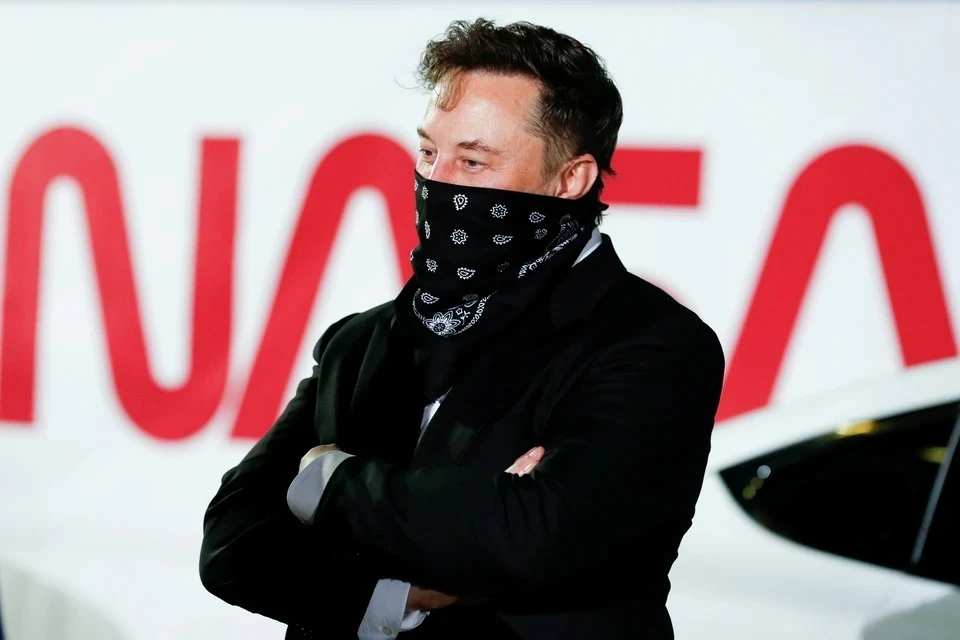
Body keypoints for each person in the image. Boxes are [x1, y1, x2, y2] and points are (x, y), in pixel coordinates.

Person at [199, 18, 725, 640]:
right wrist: (392, 592)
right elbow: (232, 544)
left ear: (571, 179)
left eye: (473, 161)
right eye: (429, 153)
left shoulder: (653, 344)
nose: (438, 181)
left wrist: (327, 480)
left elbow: (533, 538)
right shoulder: (359, 342)